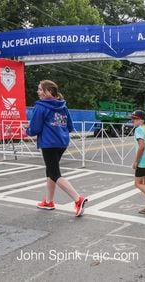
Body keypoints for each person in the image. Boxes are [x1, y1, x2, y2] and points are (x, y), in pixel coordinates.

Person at [26, 80, 87, 217]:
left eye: (40, 89)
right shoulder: (63, 106)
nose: (38, 92)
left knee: (54, 173)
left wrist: (27, 131)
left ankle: (78, 199)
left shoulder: (40, 107)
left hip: (48, 143)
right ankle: (49, 201)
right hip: (62, 143)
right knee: (51, 171)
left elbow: (35, 128)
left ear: (49, 91)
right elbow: (70, 126)